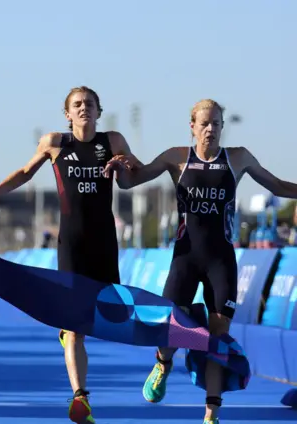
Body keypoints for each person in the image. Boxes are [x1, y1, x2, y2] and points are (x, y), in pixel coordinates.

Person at [110, 98, 297, 424]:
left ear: (223, 127)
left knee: (218, 338)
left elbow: (277, 185)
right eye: (205, 123)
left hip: (221, 261)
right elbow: (131, 182)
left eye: (217, 124)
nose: (211, 129)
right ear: (192, 126)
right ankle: (163, 363)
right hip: (185, 259)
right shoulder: (176, 158)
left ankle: (211, 411)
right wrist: (118, 170)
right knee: (169, 328)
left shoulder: (237, 158)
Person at [0, 86, 140, 424]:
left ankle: (71, 334)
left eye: (89, 104)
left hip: (104, 242)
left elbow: (131, 182)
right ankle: (81, 397)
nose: (83, 109)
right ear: (67, 114)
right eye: (77, 105)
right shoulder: (55, 143)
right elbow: (25, 173)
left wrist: (126, 166)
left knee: (112, 317)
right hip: (72, 244)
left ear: (98, 110)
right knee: (75, 326)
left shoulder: (113, 140)